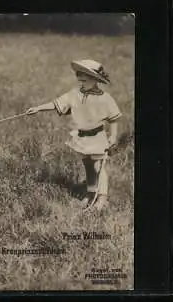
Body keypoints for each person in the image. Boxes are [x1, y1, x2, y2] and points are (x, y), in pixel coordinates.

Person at [26, 59, 122, 210]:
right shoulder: (74, 94)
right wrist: (38, 108)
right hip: (82, 138)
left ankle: (102, 198)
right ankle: (91, 194)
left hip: (97, 138)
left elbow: (114, 119)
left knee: (99, 167)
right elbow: (56, 104)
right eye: (79, 80)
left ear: (95, 79)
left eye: (85, 80)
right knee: (89, 166)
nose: (81, 83)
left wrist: (113, 137)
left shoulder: (105, 98)